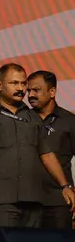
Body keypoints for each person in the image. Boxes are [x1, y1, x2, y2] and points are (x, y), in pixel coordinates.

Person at [0, 63, 75, 231]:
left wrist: (65, 186)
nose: (21, 88)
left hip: (33, 198)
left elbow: (47, 154)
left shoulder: (32, 117)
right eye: (14, 83)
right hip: (0, 199)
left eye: (23, 84)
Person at [27, 70, 75, 229]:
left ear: (52, 91)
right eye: (29, 90)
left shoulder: (69, 121)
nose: (31, 95)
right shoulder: (22, 119)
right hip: (27, 201)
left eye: (36, 90)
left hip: (59, 200)